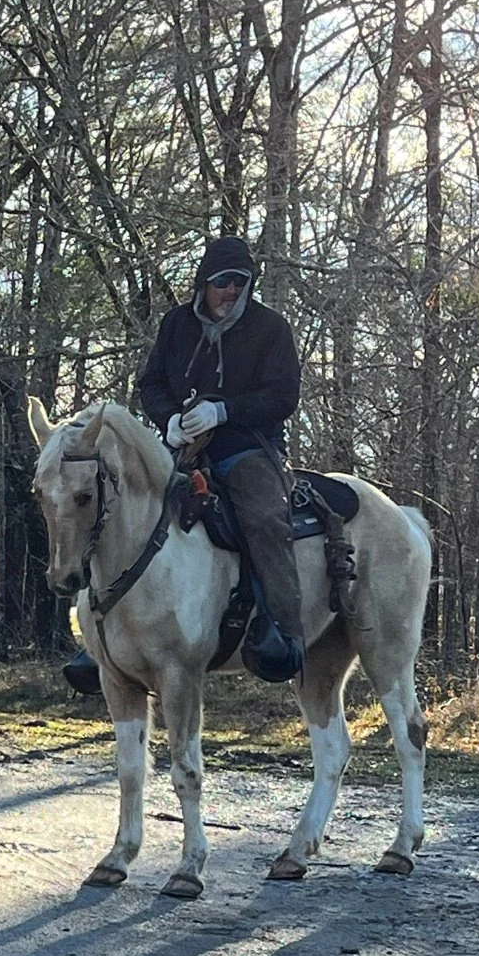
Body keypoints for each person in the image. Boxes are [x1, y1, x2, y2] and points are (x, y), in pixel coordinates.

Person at [139, 234, 305, 681]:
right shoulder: (176, 325)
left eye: (241, 281)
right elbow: (151, 383)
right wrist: (169, 418)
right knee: (121, 506)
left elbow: (283, 395)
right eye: (223, 281)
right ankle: (108, 637)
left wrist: (225, 410)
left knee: (266, 518)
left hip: (247, 447)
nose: (232, 290)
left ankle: (283, 634)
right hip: (180, 448)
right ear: (203, 283)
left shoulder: (272, 329)